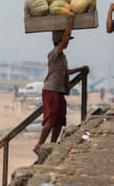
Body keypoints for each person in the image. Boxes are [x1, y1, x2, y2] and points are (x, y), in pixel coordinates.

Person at [33, 12, 89, 154]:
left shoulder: (62, 56)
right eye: (66, 39)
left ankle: (52, 144)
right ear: (59, 41)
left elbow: (65, 72)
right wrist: (70, 22)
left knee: (59, 120)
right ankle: (39, 144)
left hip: (58, 91)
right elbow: (63, 41)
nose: (68, 42)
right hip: (51, 90)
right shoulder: (54, 53)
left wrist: (80, 69)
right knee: (51, 119)